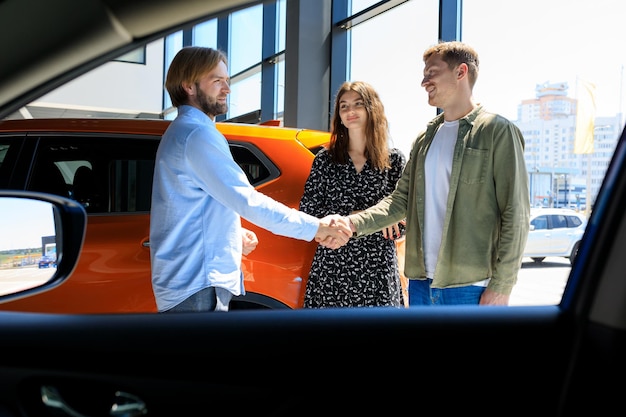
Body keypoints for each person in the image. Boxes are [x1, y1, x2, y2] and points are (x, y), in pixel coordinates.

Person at [150, 46, 351, 313]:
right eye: (217, 80)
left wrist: (230, 235)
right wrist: (317, 228)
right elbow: (248, 201)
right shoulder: (197, 135)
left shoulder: (183, 132)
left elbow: (196, 204)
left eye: (227, 80)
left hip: (191, 282)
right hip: (198, 285)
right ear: (189, 85)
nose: (227, 89)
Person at [338, 41, 530, 306]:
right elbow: (400, 201)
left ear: (461, 72)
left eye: (432, 73)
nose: (424, 82)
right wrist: (351, 224)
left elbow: (516, 213)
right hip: (420, 284)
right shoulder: (425, 137)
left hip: (470, 287)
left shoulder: (497, 131)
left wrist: (502, 286)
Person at [299, 81, 407, 308]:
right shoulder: (325, 160)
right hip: (332, 268)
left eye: (357, 104)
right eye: (344, 106)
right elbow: (308, 212)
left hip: (378, 270)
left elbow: (403, 220)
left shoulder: (394, 161)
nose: (350, 111)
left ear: (372, 109)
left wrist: (343, 220)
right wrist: (369, 218)